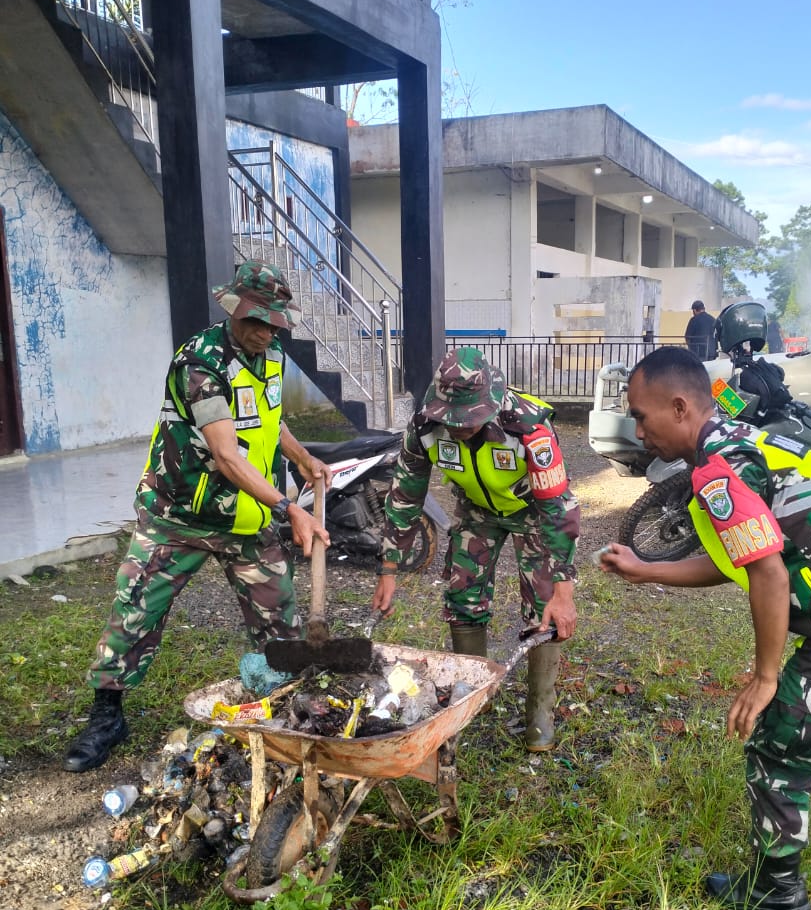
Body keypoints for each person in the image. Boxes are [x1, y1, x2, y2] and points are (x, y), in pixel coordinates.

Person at [600, 333, 811, 910]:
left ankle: (777, 893)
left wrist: (765, 676)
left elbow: (766, 574)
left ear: (681, 408)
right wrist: (647, 568)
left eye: (641, 416)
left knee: (777, 755)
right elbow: (746, 557)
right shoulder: (745, 443)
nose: (639, 431)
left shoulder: (719, 469)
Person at [63, 260, 332, 774]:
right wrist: (289, 507)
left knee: (282, 626)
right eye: (257, 321)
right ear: (233, 310)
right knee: (135, 609)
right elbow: (227, 455)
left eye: (275, 324)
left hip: (245, 519)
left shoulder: (269, 357)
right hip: (179, 514)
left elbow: (269, 421)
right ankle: (107, 716)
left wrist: (300, 457)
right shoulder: (200, 363)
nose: (266, 333)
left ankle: (289, 710)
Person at [372, 347, 580, 752]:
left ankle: (539, 719)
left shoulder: (528, 426)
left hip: (532, 510)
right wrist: (389, 569)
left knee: (543, 610)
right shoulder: (423, 428)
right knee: (462, 595)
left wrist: (564, 590)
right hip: (477, 511)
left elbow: (558, 508)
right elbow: (404, 498)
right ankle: (472, 697)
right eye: (452, 418)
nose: (460, 427)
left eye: (469, 418)